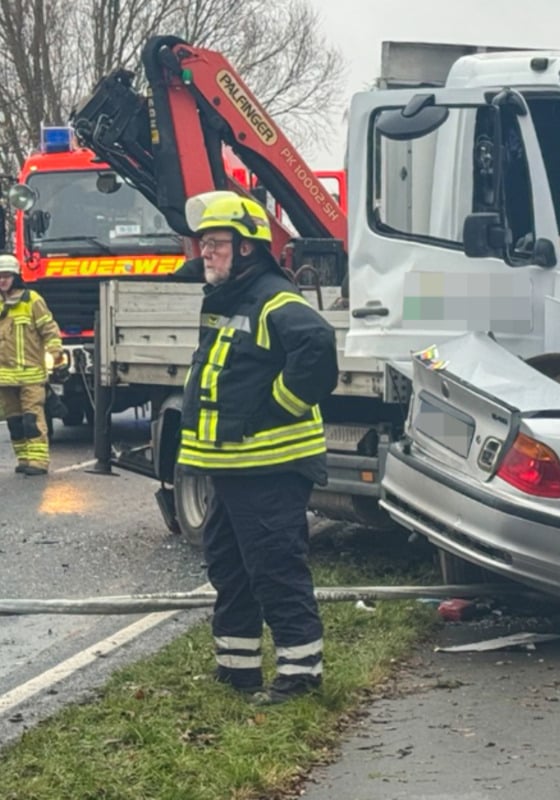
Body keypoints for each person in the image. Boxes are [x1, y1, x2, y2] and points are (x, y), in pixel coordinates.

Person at [177, 192, 338, 705]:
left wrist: (279, 405)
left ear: (248, 249)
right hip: (235, 467)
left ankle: (301, 675)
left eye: (218, 243)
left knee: (274, 568)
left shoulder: (273, 297)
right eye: (205, 243)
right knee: (228, 566)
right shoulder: (228, 298)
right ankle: (237, 669)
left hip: (270, 465)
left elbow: (317, 345)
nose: (207, 252)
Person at [0, 253, 64, 476]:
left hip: (31, 375)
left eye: (6, 276)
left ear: (16, 277)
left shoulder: (32, 300)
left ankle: (38, 461)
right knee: (15, 422)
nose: (2, 281)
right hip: (4, 377)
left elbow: (49, 329)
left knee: (32, 419)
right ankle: (24, 459)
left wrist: (56, 354)